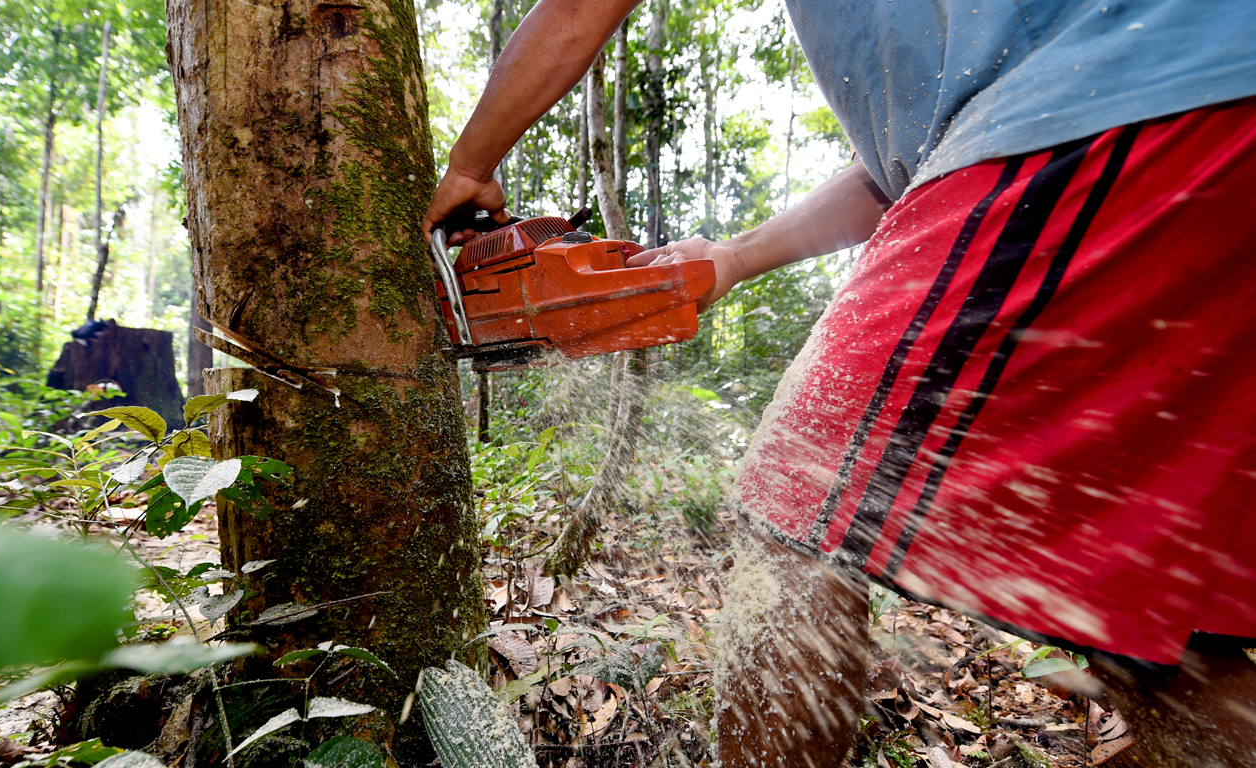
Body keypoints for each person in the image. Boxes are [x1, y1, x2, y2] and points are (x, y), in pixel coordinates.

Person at [423, 0, 1256, 764]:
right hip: (1200, 121)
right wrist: (737, 258)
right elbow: (898, 170)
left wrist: (469, 164)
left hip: (1090, 118)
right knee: (1127, 586)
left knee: (793, 514)